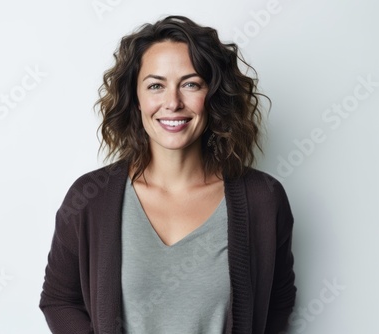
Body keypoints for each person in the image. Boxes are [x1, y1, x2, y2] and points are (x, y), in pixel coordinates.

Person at [39, 15, 296, 334]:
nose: (173, 103)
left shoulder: (264, 198)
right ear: (136, 99)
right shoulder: (90, 197)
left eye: (191, 84)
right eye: (156, 86)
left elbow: (280, 301)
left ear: (213, 95)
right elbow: (59, 299)